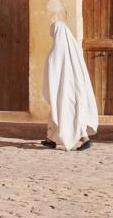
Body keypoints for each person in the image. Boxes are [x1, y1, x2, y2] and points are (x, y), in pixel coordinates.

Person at [41, 21, 99, 151]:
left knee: (65, 114)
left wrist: (51, 91)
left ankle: (85, 139)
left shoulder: (55, 52)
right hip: (75, 89)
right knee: (66, 114)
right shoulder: (75, 50)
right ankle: (49, 140)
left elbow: (51, 74)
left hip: (62, 91)